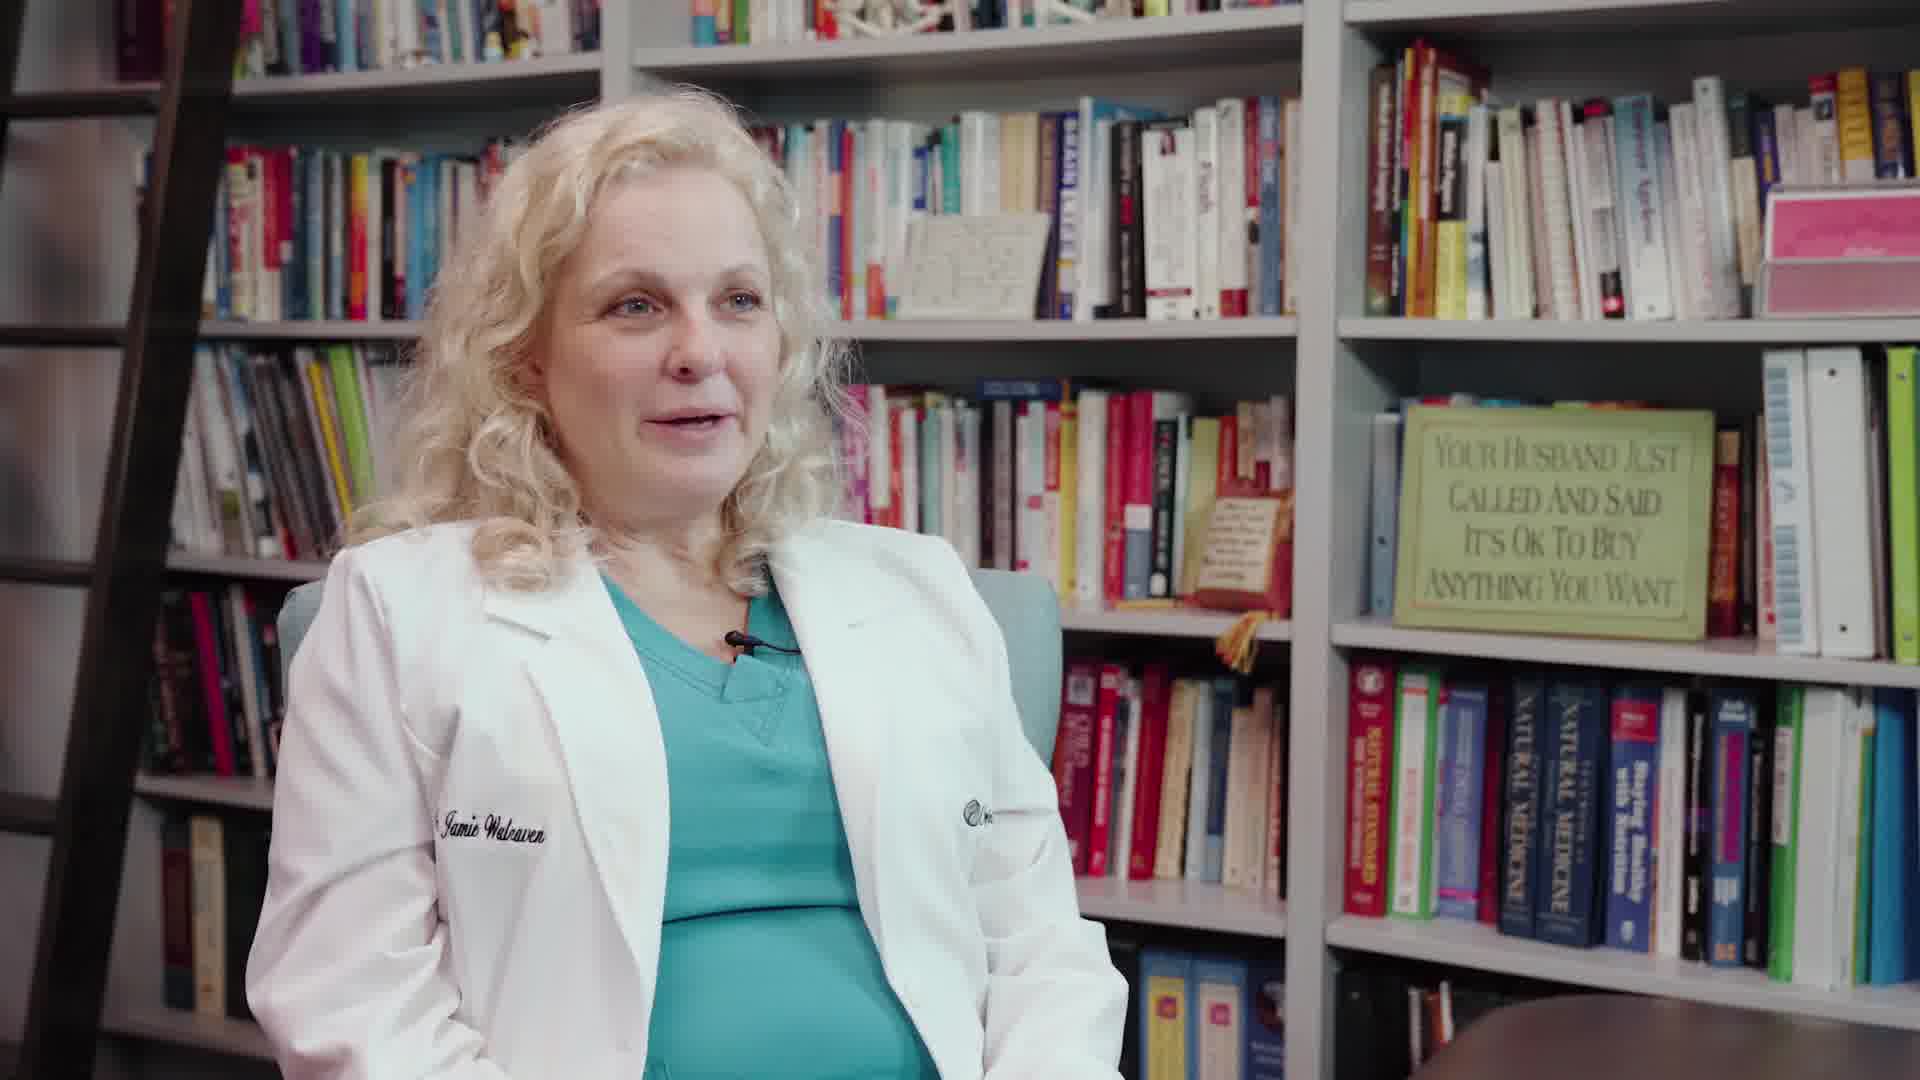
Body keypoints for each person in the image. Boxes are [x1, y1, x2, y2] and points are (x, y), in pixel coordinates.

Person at [242, 88, 1129, 1079]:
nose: (700, 352)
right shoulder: (398, 610)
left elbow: (1041, 949)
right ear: (525, 359)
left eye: (739, 301)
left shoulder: (922, 590)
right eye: (637, 305)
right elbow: (351, 1000)